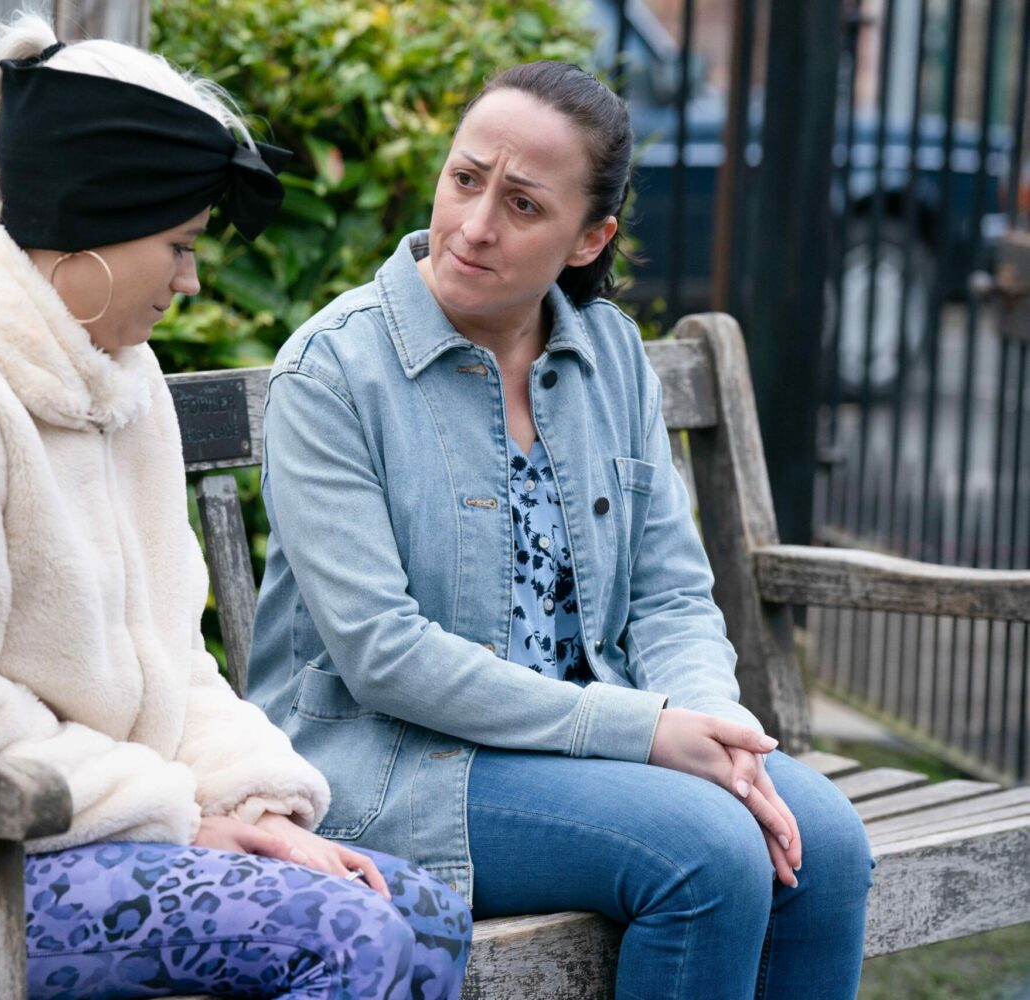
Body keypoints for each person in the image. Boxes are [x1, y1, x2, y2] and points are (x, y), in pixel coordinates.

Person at [0, 12, 470, 998]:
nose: (190, 279)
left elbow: (171, 659)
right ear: (99, 225)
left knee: (419, 913)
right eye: (179, 244)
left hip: (77, 835)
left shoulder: (123, 386)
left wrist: (252, 804)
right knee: (342, 933)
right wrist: (181, 821)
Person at [247, 61, 872, 999]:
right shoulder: (334, 371)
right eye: (466, 179)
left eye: (524, 205)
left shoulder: (607, 353)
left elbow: (669, 592)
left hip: (587, 751)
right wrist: (645, 732)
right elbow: (383, 655)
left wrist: (719, 728)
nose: (475, 225)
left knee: (825, 846)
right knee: (705, 854)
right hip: (399, 765)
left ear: (590, 238)